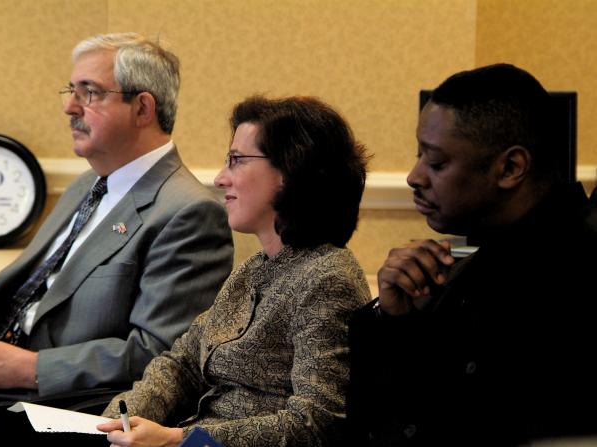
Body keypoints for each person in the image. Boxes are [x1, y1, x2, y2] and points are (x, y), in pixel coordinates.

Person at [0, 32, 233, 446]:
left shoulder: (188, 211)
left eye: (89, 93)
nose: (70, 107)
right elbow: (32, 296)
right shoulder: (88, 184)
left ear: (142, 107)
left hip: (49, 411)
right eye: (72, 91)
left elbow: (160, 354)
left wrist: (32, 368)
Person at [79, 95, 371, 447]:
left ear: (293, 170)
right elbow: (182, 363)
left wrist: (177, 440)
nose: (220, 178)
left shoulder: (327, 279)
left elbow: (316, 422)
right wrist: (112, 426)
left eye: (236, 161)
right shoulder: (257, 267)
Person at [347, 63, 597, 446]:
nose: (414, 177)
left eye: (437, 162)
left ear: (511, 167)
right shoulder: (465, 256)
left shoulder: (573, 273)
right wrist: (393, 318)